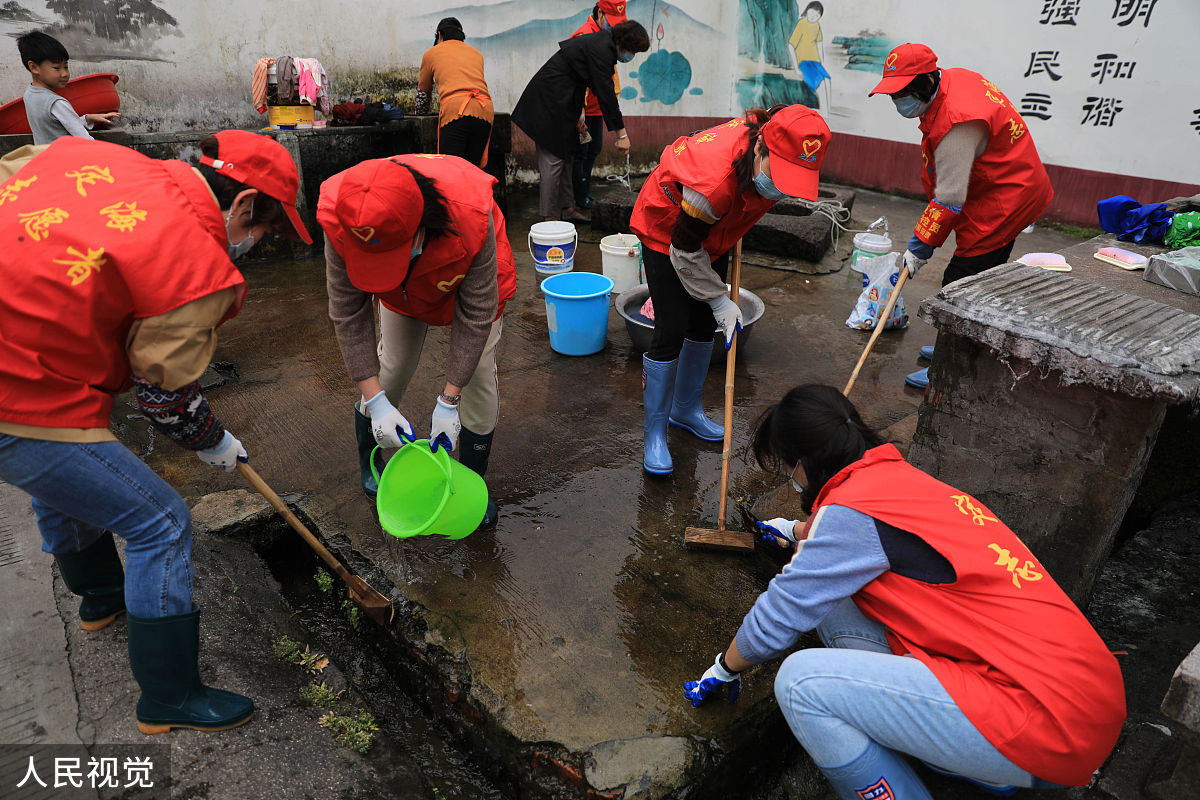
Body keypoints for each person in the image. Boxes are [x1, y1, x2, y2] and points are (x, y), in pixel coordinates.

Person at [0, 130, 312, 734]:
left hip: (29, 360)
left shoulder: (96, 157)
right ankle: (168, 697)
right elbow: (164, 399)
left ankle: (100, 599)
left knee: (68, 473)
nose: (257, 244)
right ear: (243, 204)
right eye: (266, 231)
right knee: (160, 522)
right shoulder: (191, 260)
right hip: (21, 389)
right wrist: (213, 439)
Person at [684, 384, 1126, 799]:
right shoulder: (897, 481)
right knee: (831, 591)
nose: (789, 477)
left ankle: (968, 768)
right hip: (1084, 693)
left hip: (1053, 728)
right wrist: (797, 531)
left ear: (802, 462)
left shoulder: (852, 512)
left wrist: (725, 667)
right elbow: (851, 543)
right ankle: (969, 763)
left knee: (801, 684)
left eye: (785, 464)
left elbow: (779, 614)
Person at [628, 104, 831, 475]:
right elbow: (685, 248)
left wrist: (712, 299)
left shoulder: (774, 140)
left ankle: (685, 409)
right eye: (779, 173)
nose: (783, 187)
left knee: (703, 323)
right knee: (671, 327)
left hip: (714, 232)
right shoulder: (715, 182)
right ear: (759, 149)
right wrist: (719, 298)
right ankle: (654, 432)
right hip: (668, 228)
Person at [319, 154, 516, 529]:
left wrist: (448, 400)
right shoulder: (345, 218)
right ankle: (371, 460)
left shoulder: (473, 216)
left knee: (478, 380)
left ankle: (472, 479)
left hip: (462, 274)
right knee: (390, 367)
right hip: (401, 293)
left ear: (422, 228)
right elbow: (347, 312)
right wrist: (376, 401)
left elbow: (476, 314)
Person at [869, 43, 1052, 389]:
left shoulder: (957, 121)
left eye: (902, 93)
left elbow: (949, 201)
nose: (897, 103)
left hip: (1005, 200)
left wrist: (918, 249)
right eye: (892, 95)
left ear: (925, 84)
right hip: (1002, 183)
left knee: (960, 284)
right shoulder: (954, 81)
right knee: (976, 281)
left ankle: (951, 366)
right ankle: (949, 346)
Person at [512, 19, 649, 223]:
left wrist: (578, 115)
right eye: (634, 51)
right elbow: (606, 94)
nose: (631, 57)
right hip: (547, 104)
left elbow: (578, 82)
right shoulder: (601, 48)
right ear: (625, 44)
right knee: (553, 161)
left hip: (565, 102)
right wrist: (622, 134)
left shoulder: (604, 45)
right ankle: (548, 218)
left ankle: (568, 209)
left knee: (567, 155)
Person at [569, 1, 629, 209]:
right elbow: (576, 80)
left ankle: (584, 192)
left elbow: (610, 77)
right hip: (583, 109)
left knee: (594, 149)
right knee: (581, 153)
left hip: (597, 107)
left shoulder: (606, 38)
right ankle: (578, 197)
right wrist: (580, 113)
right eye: (611, 22)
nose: (614, 28)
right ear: (600, 13)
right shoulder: (584, 36)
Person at [414, 17, 494, 168]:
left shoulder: (431, 53)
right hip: (484, 111)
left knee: (451, 170)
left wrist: (420, 113)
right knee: (472, 170)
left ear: (439, 35)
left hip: (456, 112)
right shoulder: (476, 53)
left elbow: (423, 94)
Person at [18, 30, 119, 145]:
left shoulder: (30, 94)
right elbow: (84, 139)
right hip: (64, 159)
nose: (65, 73)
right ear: (34, 67)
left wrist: (87, 118)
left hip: (45, 158)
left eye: (66, 67)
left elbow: (56, 126)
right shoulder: (56, 103)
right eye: (57, 68)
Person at [788, 2, 830, 110]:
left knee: (827, 80)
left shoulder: (816, 26)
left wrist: (822, 61)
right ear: (807, 10)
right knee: (820, 84)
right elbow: (791, 46)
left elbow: (819, 44)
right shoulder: (802, 23)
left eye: (817, 15)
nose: (813, 16)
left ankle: (828, 112)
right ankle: (823, 113)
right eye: (811, 12)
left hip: (815, 61)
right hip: (804, 61)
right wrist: (796, 68)